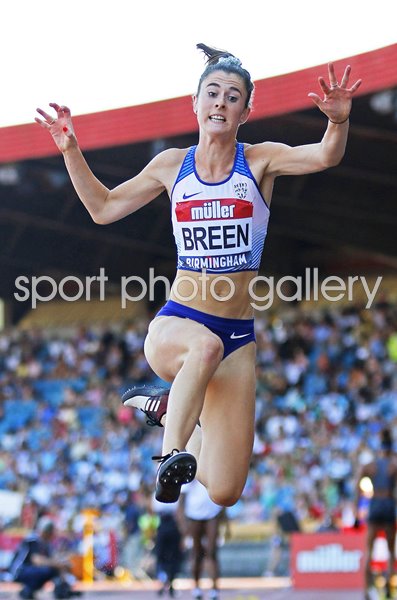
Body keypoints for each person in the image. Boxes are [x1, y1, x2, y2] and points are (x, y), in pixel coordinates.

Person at [36, 43, 361, 507]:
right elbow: (103, 208)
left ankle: (168, 408)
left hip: (236, 339)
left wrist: (338, 120)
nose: (221, 103)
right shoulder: (172, 166)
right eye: (212, 93)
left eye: (233, 97)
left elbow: (325, 156)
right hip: (177, 324)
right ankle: (170, 455)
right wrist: (70, 149)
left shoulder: (261, 160)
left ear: (245, 111)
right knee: (202, 346)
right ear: (195, 103)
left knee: (226, 489)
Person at [355, 428, 397, 600]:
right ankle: (387, 586)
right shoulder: (393, 465)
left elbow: (357, 486)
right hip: (388, 503)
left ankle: (366, 591)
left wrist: (358, 510)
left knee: (369, 550)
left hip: (375, 504)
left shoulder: (370, 466)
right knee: (390, 550)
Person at [9, 517, 80, 599]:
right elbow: (37, 560)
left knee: (55, 568)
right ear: (45, 531)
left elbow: (53, 558)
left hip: (30, 570)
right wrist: (57, 564)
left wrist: (63, 562)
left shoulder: (46, 543)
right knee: (52, 569)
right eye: (49, 532)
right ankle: (30, 589)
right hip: (19, 571)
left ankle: (64, 589)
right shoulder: (33, 539)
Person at [178, 479, 225, 600]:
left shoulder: (212, 469)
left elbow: (223, 494)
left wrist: (225, 522)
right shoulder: (190, 471)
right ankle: (196, 587)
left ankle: (214, 589)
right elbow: (181, 502)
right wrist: (183, 527)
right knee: (196, 553)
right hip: (194, 516)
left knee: (212, 552)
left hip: (212, 514)